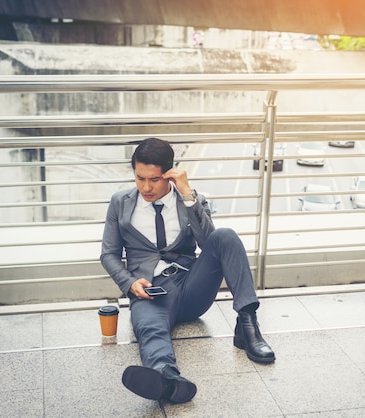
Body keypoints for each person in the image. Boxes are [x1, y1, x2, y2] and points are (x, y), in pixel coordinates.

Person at [100, 137, 275, 404]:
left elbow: (209, 244)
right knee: (150, 331)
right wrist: (129, 283)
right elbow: (109, 254)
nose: (146, 187)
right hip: (150, 292)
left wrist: (188, 197)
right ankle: (168, 380)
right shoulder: (120, 203)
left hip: (191, 285)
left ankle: (247, 325)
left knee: (226, 236)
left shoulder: (191, 200)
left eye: (154, 180)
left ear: (170, 174)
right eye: (139, 178)